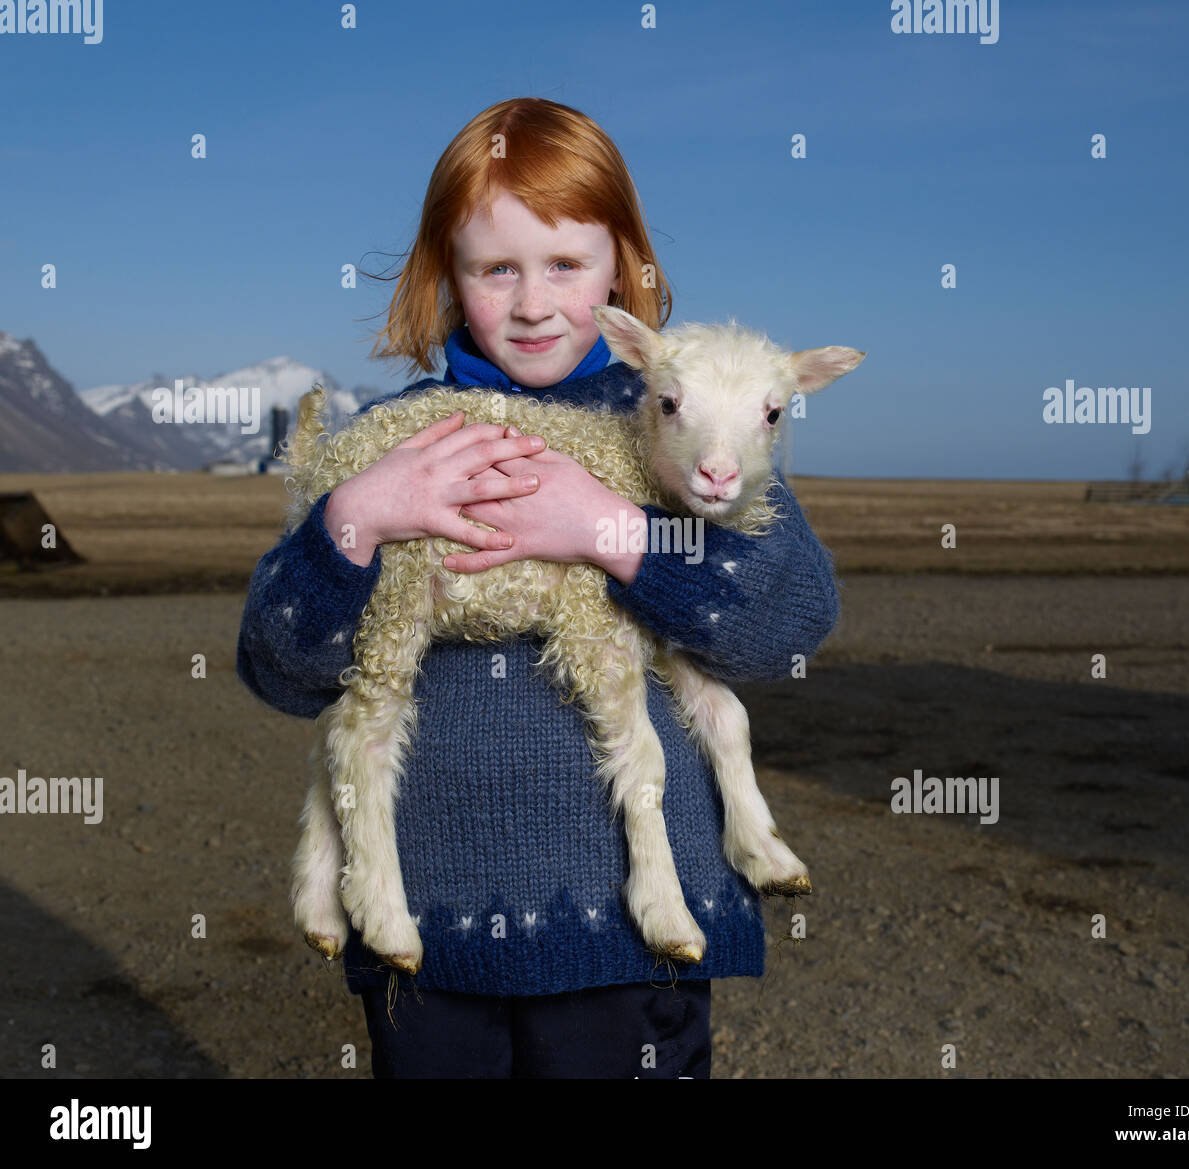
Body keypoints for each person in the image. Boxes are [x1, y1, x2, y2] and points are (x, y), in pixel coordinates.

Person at [236, 97, 841, 1078]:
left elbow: (789, 623)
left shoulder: (689, 419)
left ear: (624, 267)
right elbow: (280, 667)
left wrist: (608, 530)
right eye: (494, 268)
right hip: (429, 941)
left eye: (565, 263)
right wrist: (354, 520)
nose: (531, 303)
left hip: (632, 934)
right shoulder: (397, 442)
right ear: (446, 274)